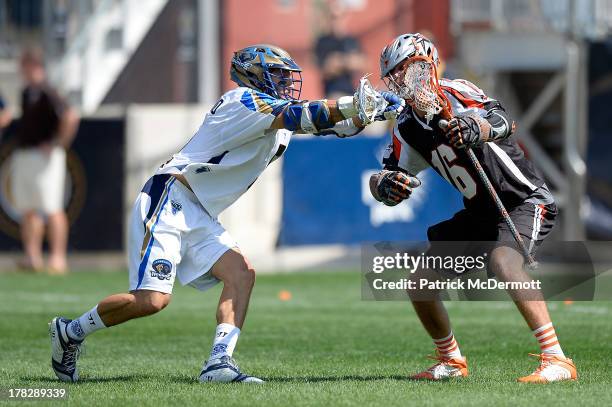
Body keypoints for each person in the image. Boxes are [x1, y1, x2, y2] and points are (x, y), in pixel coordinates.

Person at [49, 44, 403, 383]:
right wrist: (356, 103)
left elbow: (330, 125)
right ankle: (70, 331)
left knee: (242, 273)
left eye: (285, 77)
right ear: (254, 75)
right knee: (152, 301)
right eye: (277, 75)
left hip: (200, 209)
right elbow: (303, 115)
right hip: (170, 197)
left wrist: (375, 110)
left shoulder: (274, 116)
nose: (285, 83)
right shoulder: (243, 101)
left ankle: (219, 362)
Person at [369, 33, 577, 383]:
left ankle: (557, 359)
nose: (404, 81)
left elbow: (503, 121)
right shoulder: (406, 126)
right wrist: (384, 185)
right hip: (482, 213)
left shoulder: (456, 92)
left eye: (410, 70)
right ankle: (451, 360)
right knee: (420, 281)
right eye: (396, 75)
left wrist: (475, 127)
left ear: (429, 66)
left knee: (503, 262)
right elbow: (390, 176)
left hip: (523, 200)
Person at [11, 47, 79, 274]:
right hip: (26, 154)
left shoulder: (48, 92)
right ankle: (33, 257)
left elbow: (70, 116)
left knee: (52, 208)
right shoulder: (26, 93)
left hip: (45, 158)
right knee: (28, 209)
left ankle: (58, 258)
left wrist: (58, 143)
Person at [314, 0, 365, 99]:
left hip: (352, 93)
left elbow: (363, 64)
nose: (335, 21)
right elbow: (327, 69)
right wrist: (350, 61)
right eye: (332, 17)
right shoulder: (322, 41)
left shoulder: (352, 40)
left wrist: (340, 61)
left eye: (337, 17)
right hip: (333, 93)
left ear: (345, 17)